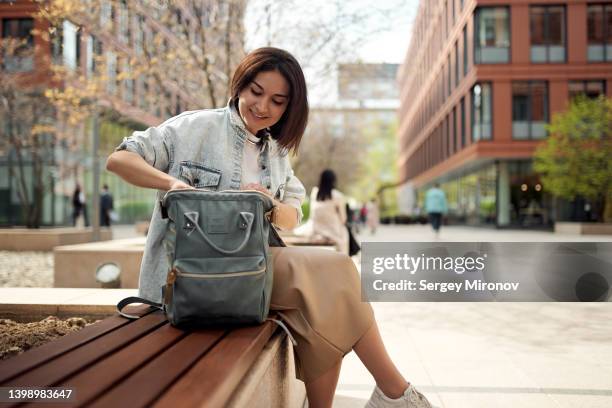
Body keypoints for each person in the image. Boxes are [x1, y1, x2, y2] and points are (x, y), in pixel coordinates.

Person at [106, 47, 432, 408]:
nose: (262, 107)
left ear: (288, 108)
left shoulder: (275, 153)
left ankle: (391, 394)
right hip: (190, 279)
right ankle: (397, 393)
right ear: (240, 85)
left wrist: (271, 203)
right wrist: (173, 185)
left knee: (328, 307)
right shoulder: (194, 127)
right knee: (338, 275)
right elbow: (119, 159)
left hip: (252, 273)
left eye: (277, 101)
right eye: (256, 92)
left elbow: (294, 214)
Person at [309, 169, 349, 255]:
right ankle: (344, 259)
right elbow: (343, 219)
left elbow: (312, 215)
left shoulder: (314, 193)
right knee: (345, 232)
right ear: (334, 181)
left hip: (316, 231)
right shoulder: (338, 196)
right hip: (333, 233)